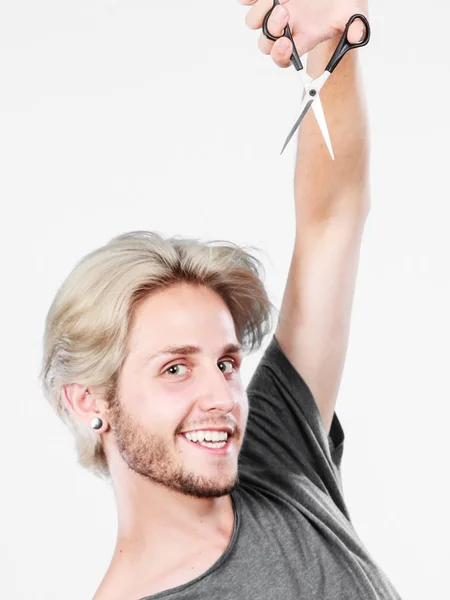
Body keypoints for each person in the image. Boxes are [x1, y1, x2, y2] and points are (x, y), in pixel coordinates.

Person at [40, 1, 404, 599]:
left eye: (227, 363)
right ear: (89, 402)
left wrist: (333, 41)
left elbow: (332, 219)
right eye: (175, 368)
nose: (221, 398)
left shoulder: (278, 454)